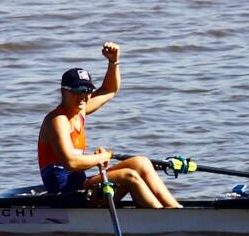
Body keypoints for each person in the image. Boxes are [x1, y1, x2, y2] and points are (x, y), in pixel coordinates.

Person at [38, 42, 182, 208]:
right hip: (65, 196)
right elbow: (71, 163)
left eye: (87, 90)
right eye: (78, 91)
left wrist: (113, 62)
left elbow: (109, 89)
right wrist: (101, 158)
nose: (84, 96)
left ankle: (176, 209)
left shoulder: (80, 111)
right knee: (128, 176)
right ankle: (162, 218)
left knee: (141, 162)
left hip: (80, 187)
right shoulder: (57, 120)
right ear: (64, 91)